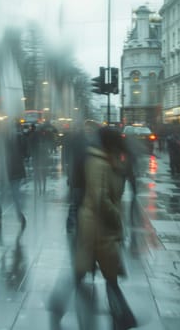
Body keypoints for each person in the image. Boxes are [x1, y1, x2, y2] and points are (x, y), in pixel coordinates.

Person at [50, 127, 136, 330]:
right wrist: (116, 219)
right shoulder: (97, 162)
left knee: (98, 274)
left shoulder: (109, 160)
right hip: (97, 228)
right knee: (98, 274)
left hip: (102, 227)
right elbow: (100, 199)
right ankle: (122, 316)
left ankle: (121, 315)